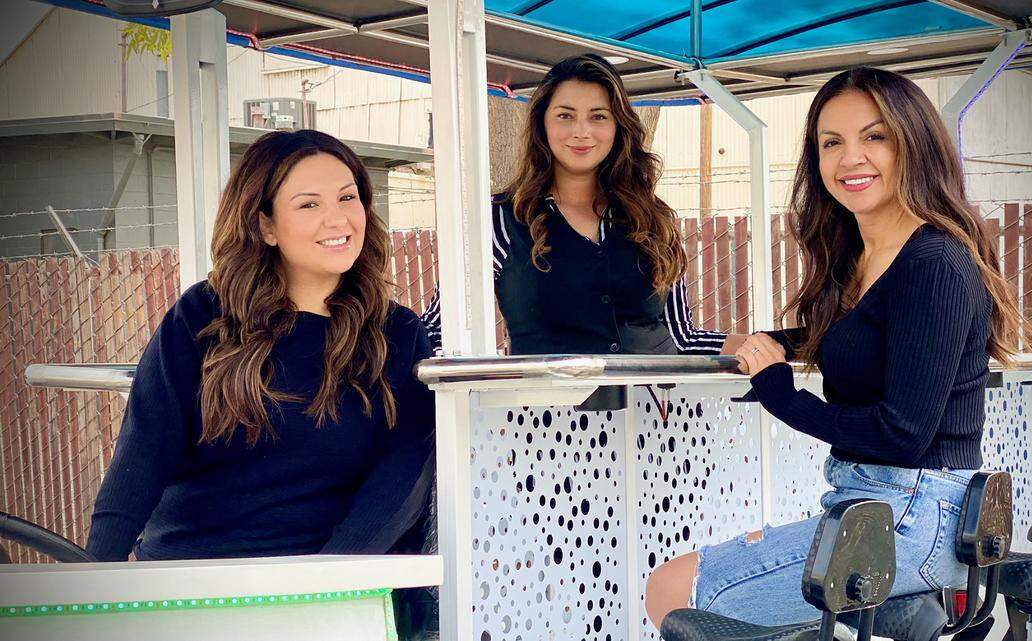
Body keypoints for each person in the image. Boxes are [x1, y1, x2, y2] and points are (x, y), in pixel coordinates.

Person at [644, 67, 1021, 630]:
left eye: (875, 137)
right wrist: (776, 341)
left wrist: (780, 393)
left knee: (677, 589)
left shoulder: (933, 262)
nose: (851, 159)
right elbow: (864, 337)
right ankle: (892, 609)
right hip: (876, 503)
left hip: (913, 516)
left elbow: (902, 431)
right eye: (831, 143)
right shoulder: (865, 257)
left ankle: (897, 602)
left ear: (914, 143)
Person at [86, 130, 435, 564]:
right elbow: (143, 451)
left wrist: (327, 581)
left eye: (348, 198)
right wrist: (93, 579)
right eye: (309, 204)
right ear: (265, 225)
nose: (338, 220)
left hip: (331, 584)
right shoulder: (203, 315)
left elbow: (402, 477)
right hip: (188, 575)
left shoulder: (396, 333)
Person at [421, 54, 748, 356]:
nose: (581, 132)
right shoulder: (497, 221)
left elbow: (683, 339)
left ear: (617, 126)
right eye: (565, 115)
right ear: (542, 124)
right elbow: (438, 333)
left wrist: (764, 346)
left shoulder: (652, 219)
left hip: (655, 413)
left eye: (598, 116)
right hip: (545, 417)